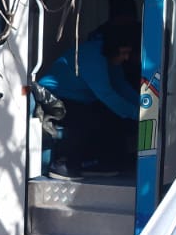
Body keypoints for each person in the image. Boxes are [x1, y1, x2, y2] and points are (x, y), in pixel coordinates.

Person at [36, 22, 141, 178]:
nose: (126, 58)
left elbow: (121, 86)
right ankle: (67, 165)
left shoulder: (110, 57)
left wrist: (145, 106)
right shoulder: (93, 56)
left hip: (79, 98)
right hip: (53, 97)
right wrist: (136, 114)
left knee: (110, 116)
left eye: (128, 53)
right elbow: (107, 94)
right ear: (113, 48)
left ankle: (105, 163)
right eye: (123, 53)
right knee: (89, 118)